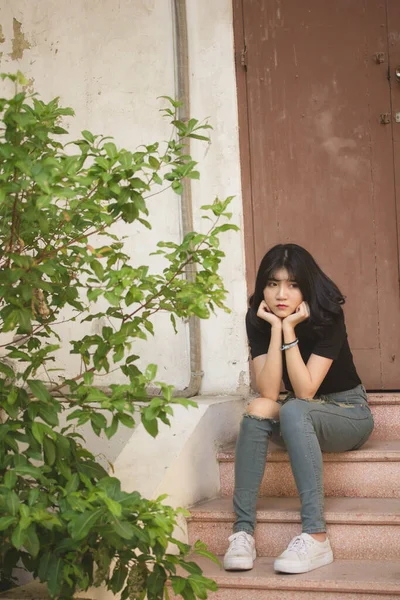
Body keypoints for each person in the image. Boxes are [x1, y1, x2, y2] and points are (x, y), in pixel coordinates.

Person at [223, 243, 374, 574]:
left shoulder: (327, 315)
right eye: (273, 283)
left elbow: (305, 390)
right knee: (260, 406)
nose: (281, 294)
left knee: (293, 408)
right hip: (299, 414)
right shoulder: (259, 319)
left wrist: (290, 330)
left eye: (292, 284)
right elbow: (268, 390)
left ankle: (316, 536)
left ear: (306, 287)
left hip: (347, 412)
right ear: (262, 286)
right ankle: (242, 531)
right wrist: (277, 328)